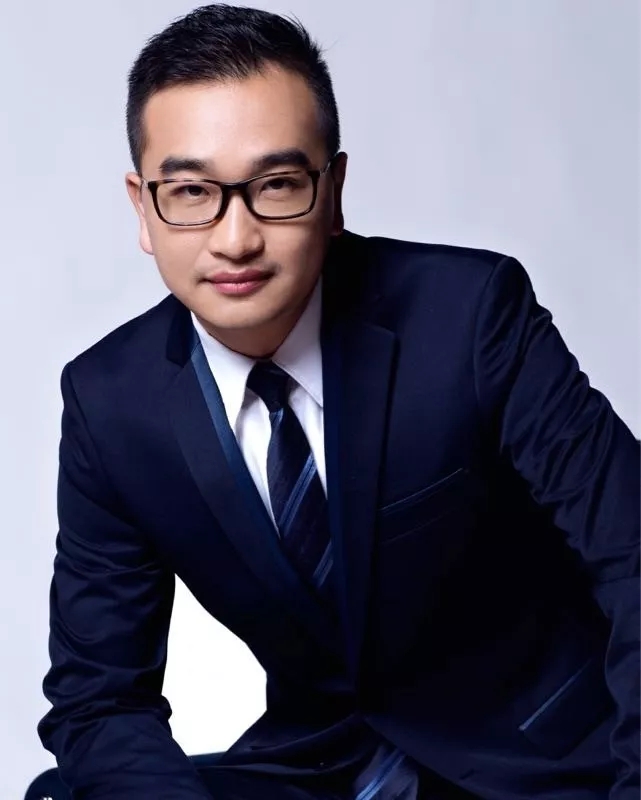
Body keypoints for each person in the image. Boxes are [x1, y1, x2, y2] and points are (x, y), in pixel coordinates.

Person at [38, 4, 639, 799]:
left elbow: (631, 554)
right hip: (322, 767)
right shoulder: (111, 402)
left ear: (334, 190)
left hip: (536, 759)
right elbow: (99, 700)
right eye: (189, 191)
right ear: (143, 207)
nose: (234, 238)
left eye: (277, 185)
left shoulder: (467, 316)